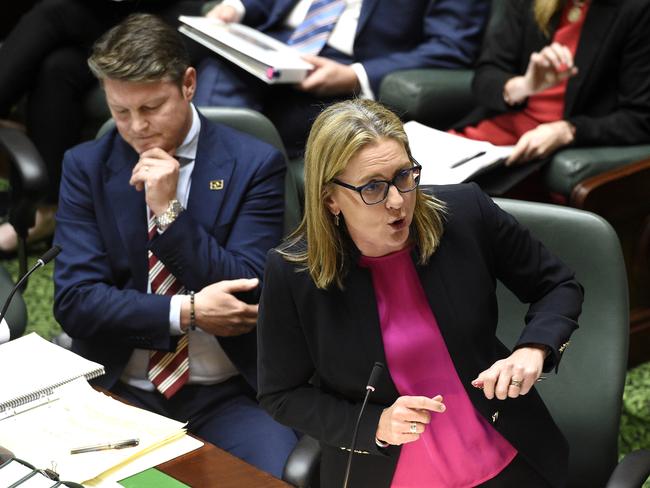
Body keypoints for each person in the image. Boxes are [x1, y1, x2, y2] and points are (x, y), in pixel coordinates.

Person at [256, 99, 583, 487]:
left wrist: (534, 348)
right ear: (331, 198)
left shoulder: (465, 214)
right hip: (387, 471)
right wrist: (375, 424)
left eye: (404, 176)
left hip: (503, 452)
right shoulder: (294, 272)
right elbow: (281, 394)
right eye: (373, 187)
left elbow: (557, 284)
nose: (397, 201)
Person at [52, 13, 297, 477]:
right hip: (118, 391)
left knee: (273, 478)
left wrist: (168, 213)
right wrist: (188, 313)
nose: (136, 127)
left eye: (151, 108)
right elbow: (76, 302)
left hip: (229, 391)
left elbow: (246, 291)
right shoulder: (86, 167)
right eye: (120, 111)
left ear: (188, 84)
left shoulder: (253, 163)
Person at [0, 0, 207, 252]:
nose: (138, 125)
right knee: (57, 67)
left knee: (53, 12)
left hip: (172, 16)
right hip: (115, 13)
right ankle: (46, 209)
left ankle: (44, 212)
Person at [193, 0, 491, 157]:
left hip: (347, 70)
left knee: (236, 134)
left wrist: (355, 76)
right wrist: (236, 6)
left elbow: (451, 47)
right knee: (215, 73)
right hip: (273, 43)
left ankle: (192, 219)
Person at [452, 0, 650, 194]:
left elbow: (640, 117)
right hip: (495, 132)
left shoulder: (637, 8)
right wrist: (524, 85)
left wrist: (567, 131)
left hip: (546, 150)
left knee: (452, 203)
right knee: (425, 176)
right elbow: (486, 74)